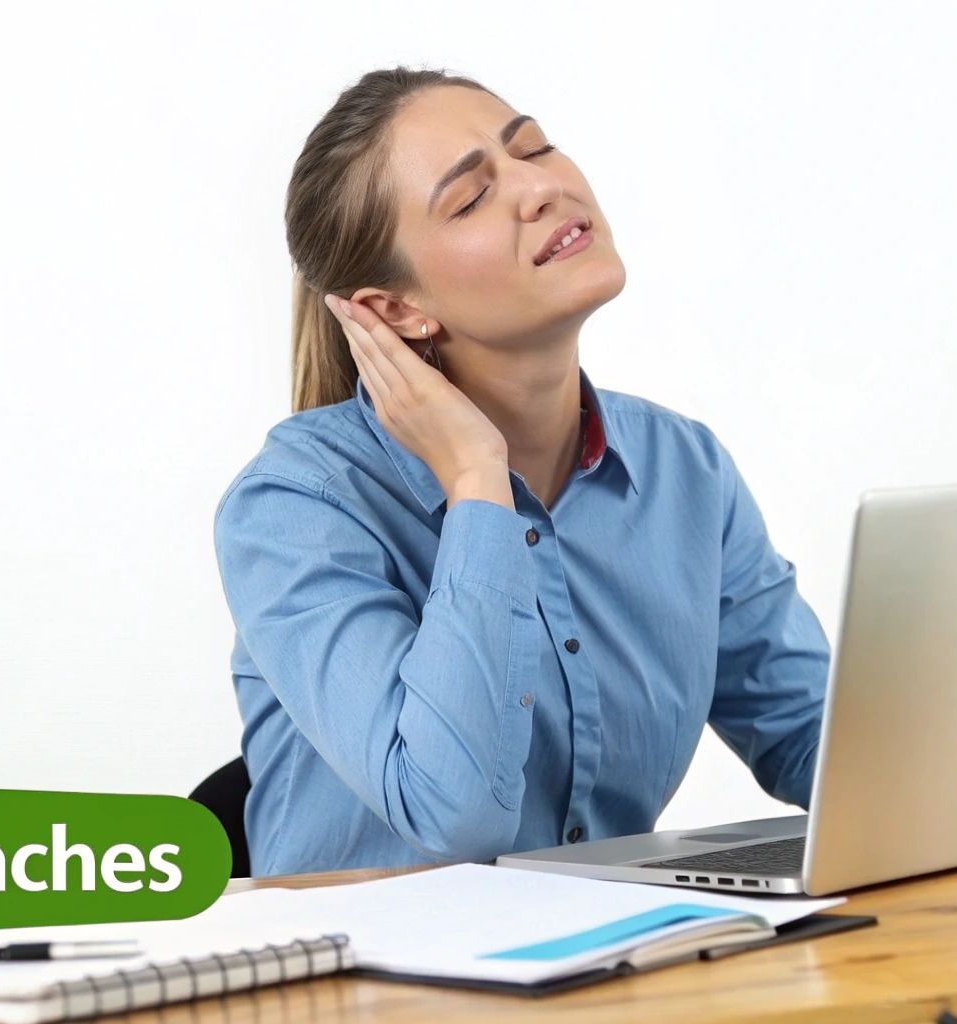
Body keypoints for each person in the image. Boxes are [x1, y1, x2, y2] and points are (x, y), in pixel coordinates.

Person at [212, 66, 830, 877]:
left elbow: (820, 742)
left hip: (613, 967)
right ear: (397, 311)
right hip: (369, 988)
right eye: (469, 199)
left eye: (534, 147)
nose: (539, 188)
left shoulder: (686, 470)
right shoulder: (296, 505)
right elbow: (454, 814)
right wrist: (476, 479)